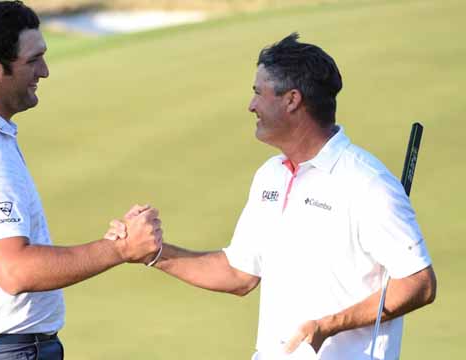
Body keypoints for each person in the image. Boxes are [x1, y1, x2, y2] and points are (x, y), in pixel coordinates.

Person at [108, 33, 436, 360]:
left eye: (258, 93)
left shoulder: (367, 183)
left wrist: (330, 325)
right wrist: (153, 253)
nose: (251, 105)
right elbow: (239, 274)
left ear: (292, 100)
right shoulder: (272, 174)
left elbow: (419, 283)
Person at [0, 1, 162, 359]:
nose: (45, 71)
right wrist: (120, 249)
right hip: (2, 351)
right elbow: (15, 270)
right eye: (33, 60)